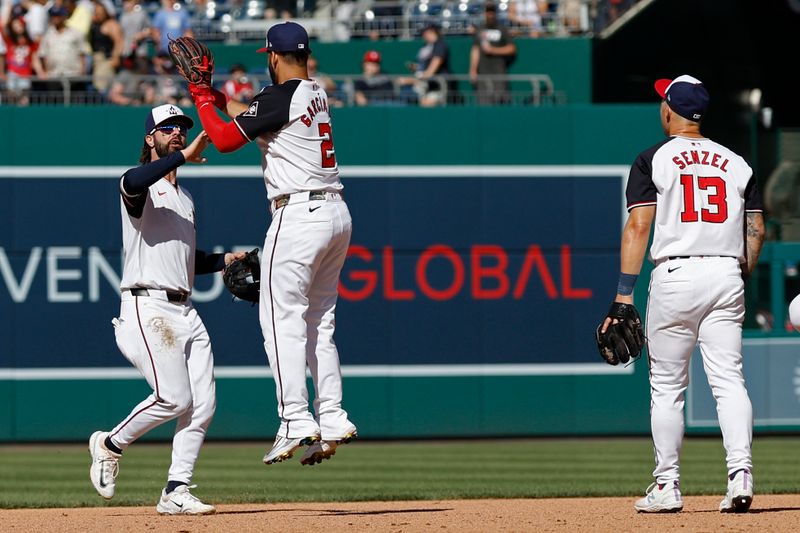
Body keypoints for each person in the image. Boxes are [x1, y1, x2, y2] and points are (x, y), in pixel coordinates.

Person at [188, 21, 358, 466]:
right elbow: (255, 112)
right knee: (319, 324)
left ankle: (294, 419)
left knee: (279, 318)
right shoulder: (313, 92)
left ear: (273, 56)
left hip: (298, 213)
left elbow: (225, 139)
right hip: (336, 213)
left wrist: (201, 96)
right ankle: (334, 414)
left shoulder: (280, 97)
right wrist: (217, 97)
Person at [599, 75, 765, 513]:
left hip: (675, 275)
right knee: (729, 380)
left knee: (668, 387)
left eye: (662, 101)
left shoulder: (654, 158)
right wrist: (738, 274)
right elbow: (757, 229)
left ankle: (667, 485)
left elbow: (639, 226)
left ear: (669, 109)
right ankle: (741, 475)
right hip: (728, 272)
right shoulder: (737, 161)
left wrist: (623, 296)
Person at [87, 104, 247, 515]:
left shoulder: (186, 197)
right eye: (167, 127)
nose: (176, 131)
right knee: (174, 398)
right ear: (150, 138)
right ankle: (109, 443)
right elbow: (132, 180)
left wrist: (225, 260)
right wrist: (181, 156)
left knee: (203, 405)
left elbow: (186, 260)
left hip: (185, 309)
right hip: (147, 305)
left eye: (181, 127)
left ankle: (176, 488)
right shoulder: (139, 186)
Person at [33, 4, 90, 102]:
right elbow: (40, 55)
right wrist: (42, 72)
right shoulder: (47, 35)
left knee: (75, 106)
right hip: (54, 77)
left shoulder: (76, 33)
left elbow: (82, 54)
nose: (55, 18)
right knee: (56, 106)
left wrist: (82, 71)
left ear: (64, 16)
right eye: (53, 16)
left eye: (58, 15)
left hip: (73, 76)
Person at [469, 2, 517, 105]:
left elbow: (511, 48)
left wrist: (493, 50)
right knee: (483, 102)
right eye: (488, 12)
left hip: (498, 72)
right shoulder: (480, 29)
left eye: (492, 12)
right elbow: (475, 49)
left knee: (500, 101)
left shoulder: (502, 29)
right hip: (483, 73)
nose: (490, 14)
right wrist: (473, 69)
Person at [398, 24, 452, 107]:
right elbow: (422, 67)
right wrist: (415, 67)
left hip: (437, 85)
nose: (423, 36)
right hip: (425, 84)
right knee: (406, 94)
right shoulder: (426, 47)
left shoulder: (440, 45)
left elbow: (431, 71)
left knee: (426, 104)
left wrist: (412, 80)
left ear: (431, 32)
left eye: (424, 33)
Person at [1, 17, 38, 105]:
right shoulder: (9, 41)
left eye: (19, 25)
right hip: (12, 74)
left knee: (24, 101)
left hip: (25, 75)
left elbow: (35, 58)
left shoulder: (31, 43)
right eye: (15, 26)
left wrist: (40, 72)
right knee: (11, 99)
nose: (18, 27)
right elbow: (3, 28)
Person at [89, 0, 123, 93]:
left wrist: (115, 58)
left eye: (101, 11)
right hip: (95, 60)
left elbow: (119, 42)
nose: (98, 14)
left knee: (101, 86)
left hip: (106, 60)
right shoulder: (94, 24)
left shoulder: (111, 24)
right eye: (97, 11)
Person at [119, 0, 151, 74]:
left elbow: (150, 29)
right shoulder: (123, 16)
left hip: (140, 50)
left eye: (129, 2)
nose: (126, 4)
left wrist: (142, 34)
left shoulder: (142, 14)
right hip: (127, 50)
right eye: (125, 2)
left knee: (140, 73)